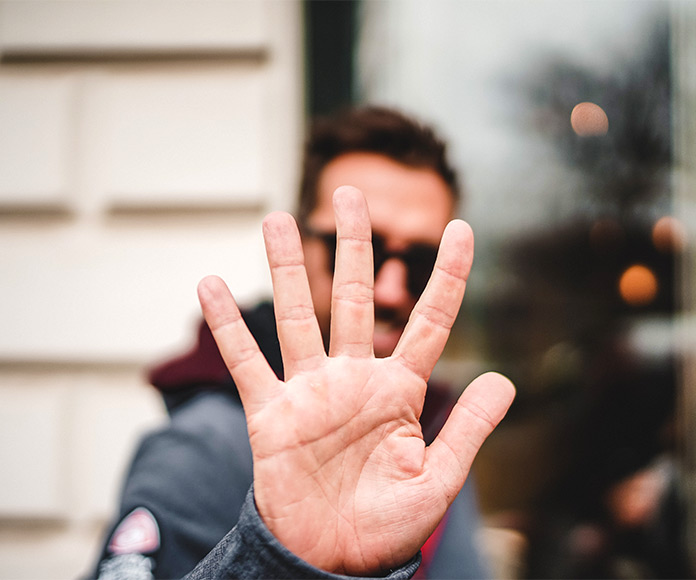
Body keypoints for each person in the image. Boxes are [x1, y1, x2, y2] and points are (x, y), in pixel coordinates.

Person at [90, 107, 515, 580]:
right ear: (302, 241)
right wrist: (278, 563)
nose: (392, 291)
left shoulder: (432, 432)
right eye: (360, 249)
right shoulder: (203, 447)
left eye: (419, 261)